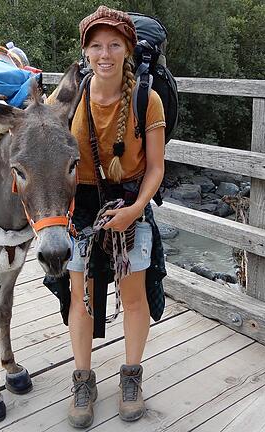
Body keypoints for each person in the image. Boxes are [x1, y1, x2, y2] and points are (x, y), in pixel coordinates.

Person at [46, 5, 167, 429]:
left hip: (128, 203)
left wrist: (135, 209)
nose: (105, 53)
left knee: (133, 297)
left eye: (114, 44)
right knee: (82, 296)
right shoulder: (69, 96)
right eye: (96, 45)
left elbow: (155, 167)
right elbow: (42, 145)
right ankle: (83, 379)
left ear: (128, 49)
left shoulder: (145, 99)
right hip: (80, 208)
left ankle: (131, 375)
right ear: (85, 51)